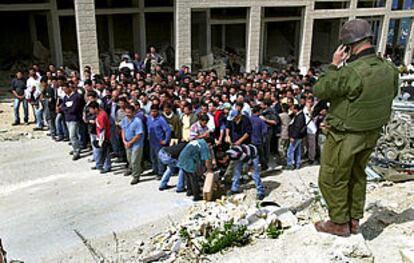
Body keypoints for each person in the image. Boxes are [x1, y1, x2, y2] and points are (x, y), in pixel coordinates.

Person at [313, 19, 399, 236]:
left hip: (346, 134)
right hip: (372, 132)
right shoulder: (389, 69)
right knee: (358, 175)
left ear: (348, 46)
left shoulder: (352, 71)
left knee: (332, 177)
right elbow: (392, 93)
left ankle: (339, 222)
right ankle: (353, 220)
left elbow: (321, 89)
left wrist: (334, 65)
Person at [121, 105, 145, 185]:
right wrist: (124, 140)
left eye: (129, 112)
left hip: (136, 143)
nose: (127, 114)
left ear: (133, 112)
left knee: (135, 160)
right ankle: (135, 169)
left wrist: (130, 142)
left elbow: (139, 135)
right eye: (126, 112)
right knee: (129, 159)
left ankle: (136, 176)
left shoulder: (137, 121)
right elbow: (123, 129)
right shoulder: (124, 119)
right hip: (127, 142)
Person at [62, 83, 85, 161]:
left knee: (73, 136)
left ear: (69, 88)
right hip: (67, 118)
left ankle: (76, 151)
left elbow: (74, 109)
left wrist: (67, 109)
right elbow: (63, 107)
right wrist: (67, 109)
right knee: (73, 135)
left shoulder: (76, 97)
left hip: (74, 119)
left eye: (65, 89)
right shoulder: (65, 97)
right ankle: (76, 147)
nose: (64, 91)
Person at [147, 104, 171, 179]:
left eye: (154, 111)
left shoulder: (161, 119)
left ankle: (161, 172)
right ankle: (155, 169)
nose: (153, 113)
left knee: (159, 157)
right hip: (151, 139)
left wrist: (166, 140)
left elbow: (168, 130)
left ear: (157, 111)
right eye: (152, 111)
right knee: (153, 156)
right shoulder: (149, 118)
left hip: (159, 141)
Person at [89, 101, 112, 174]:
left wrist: (101, 141)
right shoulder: (100, 113)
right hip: (100, 135)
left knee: (106, 152)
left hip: (104, 136)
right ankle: (99, 164)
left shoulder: (101, 116)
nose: (90, 111)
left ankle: (107, 166)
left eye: (91, 109)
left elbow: (102, 129)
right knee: (100, 151)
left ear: (95, 108)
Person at [286, 104, 307, 170]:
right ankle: (297, 164)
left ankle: (290, 164)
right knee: (297, 151)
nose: (292, 110)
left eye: (293, 109)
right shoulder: (299, 115)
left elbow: (297, 128)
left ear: (296, 109)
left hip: (296, 136)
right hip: (299, 136)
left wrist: (293, 137)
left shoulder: (299, 117)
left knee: (290, 150)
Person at [250, 105, 268, 170]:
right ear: (258, 112)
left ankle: (253, 167)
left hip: (250, 140)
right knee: (261, 154)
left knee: (252, 155)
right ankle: (264, 166)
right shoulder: (260, 120)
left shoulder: (249, 119)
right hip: (258, 140)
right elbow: (265, 131)